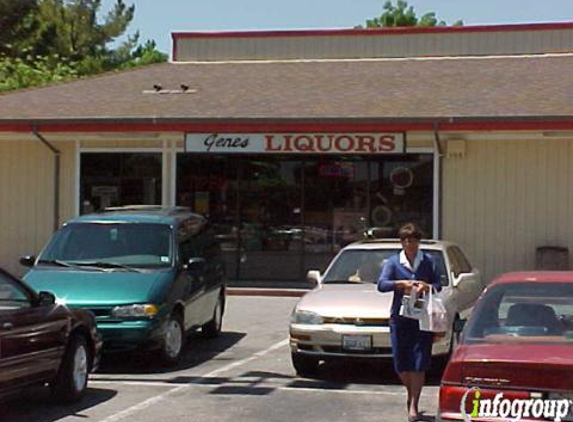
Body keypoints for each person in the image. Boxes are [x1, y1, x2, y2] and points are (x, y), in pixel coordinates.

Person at [377, 223, 441, 422]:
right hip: (400, 319)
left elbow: (439, 284)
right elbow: (381, 284)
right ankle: (410, 392)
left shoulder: (428, 261)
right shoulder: (395, 262)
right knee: (402, 364)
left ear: (418, 241)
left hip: (421, 320)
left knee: (419, 363)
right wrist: (400, 284)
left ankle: (414, 403)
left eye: (412, 240)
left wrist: (426, 286)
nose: (408, 244)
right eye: (404, 240)